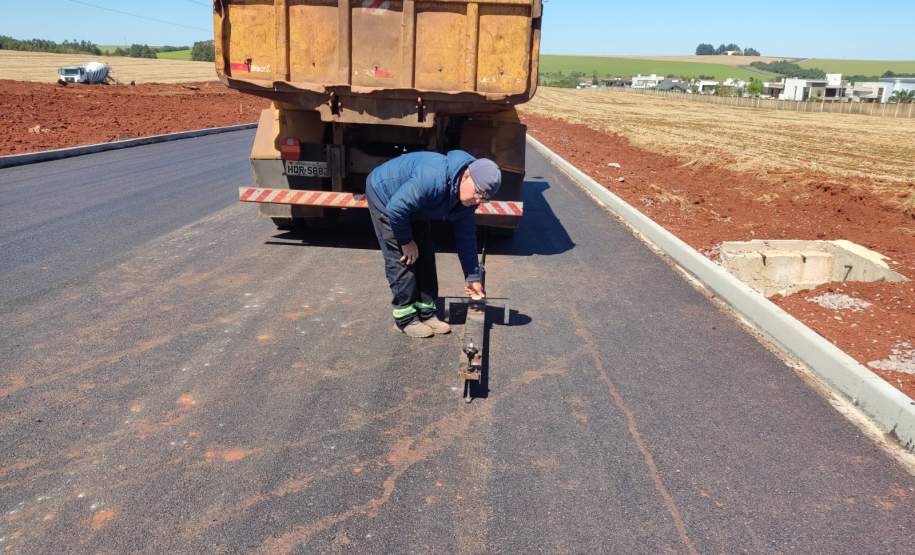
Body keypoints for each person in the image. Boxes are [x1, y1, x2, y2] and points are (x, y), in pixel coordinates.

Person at [365, 150, 502, 338]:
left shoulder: (468, 200)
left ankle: (426, 312)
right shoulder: (434, 178)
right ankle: (405, 318)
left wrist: (473, 278)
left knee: (426, 255)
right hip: (386, 197)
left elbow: (467, 238)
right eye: (478, 193)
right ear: (466, 176)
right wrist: (406, 241)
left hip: (415, 205)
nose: (478, 200)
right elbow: (396, 208)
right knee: (403, 259)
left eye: (484, 198)